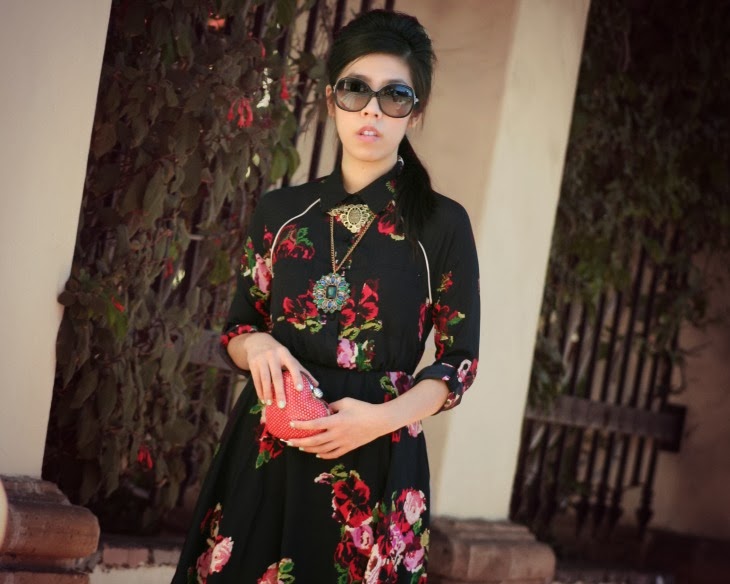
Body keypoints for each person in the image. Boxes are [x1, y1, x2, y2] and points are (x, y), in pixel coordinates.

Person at [172, 9, 479, 583]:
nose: (371, 110)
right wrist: (258, 345)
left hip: (377, 458)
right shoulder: (281, 212)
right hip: (269, 450)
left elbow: (459, 362)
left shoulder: (441, 225)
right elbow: (238, 327)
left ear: (415, 113)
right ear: (332, 99)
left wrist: (378, 420)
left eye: (395, 96)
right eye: (355, 89)